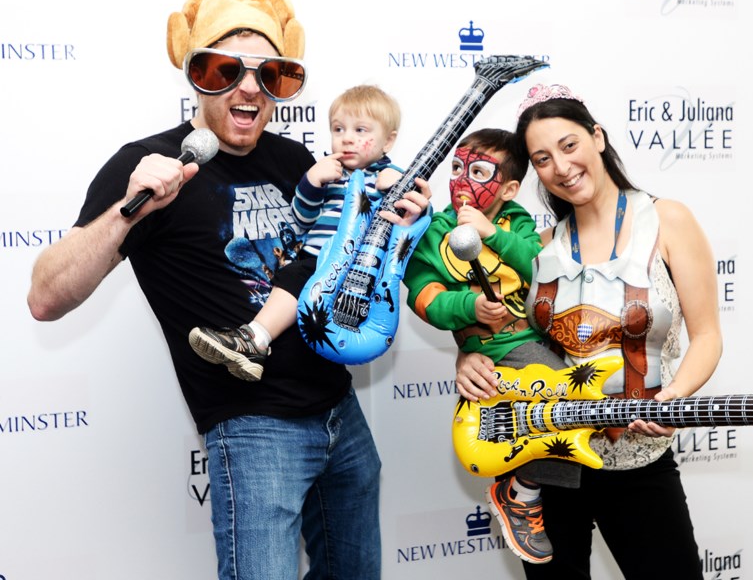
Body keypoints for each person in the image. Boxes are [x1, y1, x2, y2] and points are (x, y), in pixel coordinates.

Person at [26, 0, 430, 580]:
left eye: (270, 75)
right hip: (253, 432)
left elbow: (347, 257)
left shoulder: (299, 160)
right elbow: (46, 297)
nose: (249, 89)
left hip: (341, 415)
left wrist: (400, 216)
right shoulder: (145, 163)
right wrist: (127, 212)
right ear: (196, 77)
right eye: (224, 70)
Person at [455, 84, 722, 579]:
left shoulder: (667, 220)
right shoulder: (538, 246)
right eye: (542, 158)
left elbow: (707, 336)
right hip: (547, 460)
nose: (560, 166)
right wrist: (466, 356)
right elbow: (496, 327)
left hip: (638, 459)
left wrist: (675, 397)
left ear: (597, 137)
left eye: (569, 145)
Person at [402, 128, 580, 565]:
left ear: (509, 188)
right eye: (458, 169)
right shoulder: (436, 230)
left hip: (543, 341)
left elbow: (541, 267)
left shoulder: (517, 222)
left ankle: (525, 490)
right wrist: (471, 307)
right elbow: (422, 295)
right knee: (569, 400)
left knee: (575, 412)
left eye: (479, 172)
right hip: (499, 352)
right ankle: (521, 493)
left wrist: (492, 235)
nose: (463, 182)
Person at [188, 84, 404, 381]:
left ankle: (255, 338)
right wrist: (311, 183)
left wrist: (399, 183)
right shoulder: (330, 173)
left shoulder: (389, 177)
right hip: (317, 259)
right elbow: (301, 220)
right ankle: (256, 342)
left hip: (354, 269)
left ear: (388, 142)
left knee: (296, 276)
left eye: (361, 130)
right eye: (338, 129)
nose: (347, 139)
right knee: (290, 276)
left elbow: (405, 228)